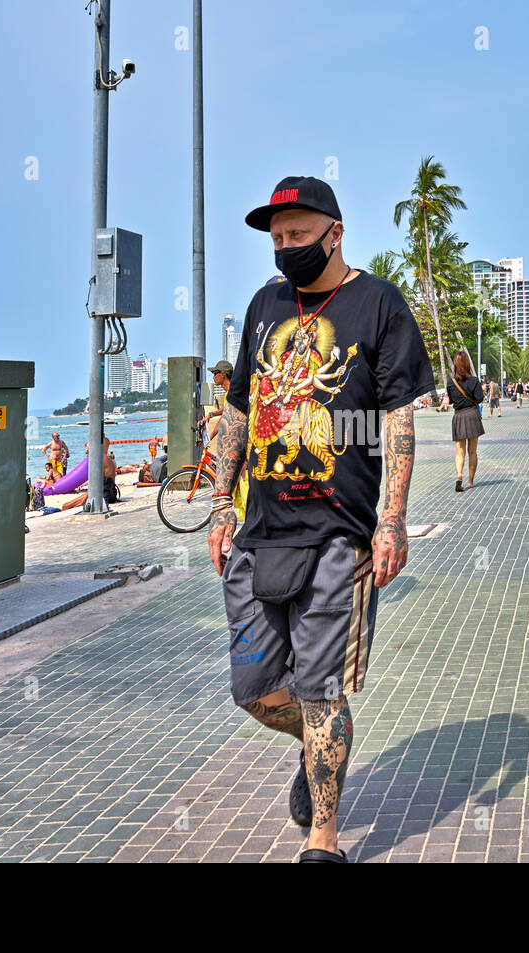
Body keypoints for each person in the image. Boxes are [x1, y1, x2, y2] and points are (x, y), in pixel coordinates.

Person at [206, 175, 433, 863]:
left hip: (339, 535)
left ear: (334, 233)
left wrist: (390, 520)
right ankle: (316, 747)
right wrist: (221, 500)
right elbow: (239, 410)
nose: (285, 248)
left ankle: (323, 839)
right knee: (253, 689)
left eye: (298, 235)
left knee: (321, 689)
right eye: (277, 238)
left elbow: (398, 419)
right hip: (260, 534)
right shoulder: (263, 306)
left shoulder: (378, 304)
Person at [447, 352, 484, 492]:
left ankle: (459, 476)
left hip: (459, 417)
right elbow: (479, 398)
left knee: (459, 452)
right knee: (472, 451)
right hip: (472, 415)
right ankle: (470, 481)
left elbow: (451, 401)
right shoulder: (474, 380)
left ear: (455, 365)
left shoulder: (451, 382)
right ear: (467, 364)